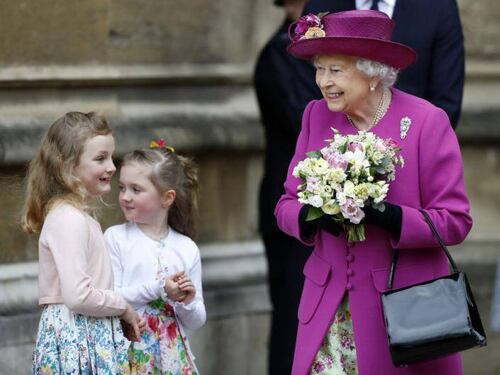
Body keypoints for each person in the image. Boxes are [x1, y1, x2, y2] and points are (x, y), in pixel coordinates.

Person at [274, 10, 472, 374]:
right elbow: (285, 205)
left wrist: (393, 218)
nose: (323, 81)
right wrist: (309, 216)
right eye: (320, 68)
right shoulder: (315, 115)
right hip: (327, 310)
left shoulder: (427, 122)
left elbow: (456, 221)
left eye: (336, 70)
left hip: (402, 311)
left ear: (372, 71)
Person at [21, 112, 146, 374]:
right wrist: (122, 307)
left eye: (111, 156)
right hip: (77, 339)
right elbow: (78, 296)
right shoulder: (68, 218)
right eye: (100, 158)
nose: (112, 166)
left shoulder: (76, 216)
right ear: (66, 165)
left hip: (87, 334)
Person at [254, 1, 321, 373]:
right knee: (294, 322)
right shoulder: (281, 54)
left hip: (317, 210)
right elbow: (309, 125)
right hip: (291, 211)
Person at [105, 141, 206, 374]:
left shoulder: (186, 248)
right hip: (129, 352)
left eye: (136, 189)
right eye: (122, 188)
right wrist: (160, 288)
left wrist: (186, 301)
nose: (125, 197)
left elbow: (197, 320)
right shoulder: (116, 238)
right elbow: (111, 297)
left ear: (167, 198)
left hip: (172, 358)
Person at [302, 0, 465, 128]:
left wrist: (405, 151)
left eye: (336, 70)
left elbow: (447, 99)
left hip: (412, 142)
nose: (324, 81)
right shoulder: (320, 5)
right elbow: (303, 86)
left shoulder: (437, 6)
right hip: (331, 139)